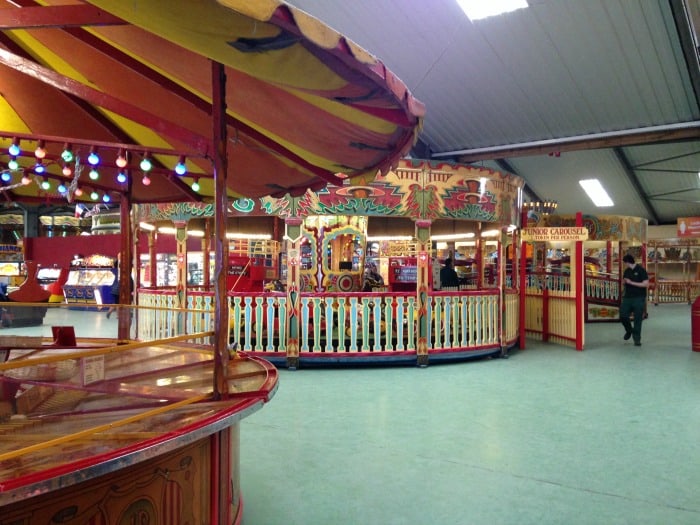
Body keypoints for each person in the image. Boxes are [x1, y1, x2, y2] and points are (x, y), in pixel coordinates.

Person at [620, 253, 649, 346]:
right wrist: (624, 283)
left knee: (638, 318)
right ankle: (629, 330)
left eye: (625, 263)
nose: (625, 264)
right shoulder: (626, 271)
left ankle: (637, 339)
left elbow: (646, 284)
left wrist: (631, 282)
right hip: (627, 297)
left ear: (628, 262)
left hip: (639, 297)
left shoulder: (641, 270)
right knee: (623, 315)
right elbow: (624, 282)